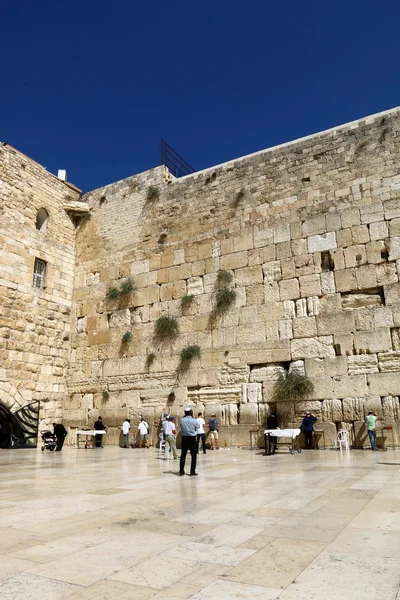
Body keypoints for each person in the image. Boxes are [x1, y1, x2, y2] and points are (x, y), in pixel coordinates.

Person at [179, 408, 198, 476]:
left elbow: (181, 427)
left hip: (184, 438)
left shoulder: (182, 420)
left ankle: (181, 471)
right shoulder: (194, 420)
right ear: (191, 413)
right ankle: (192, 471)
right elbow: (197, 427)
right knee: (194, 455)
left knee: (183, 455)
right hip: (192, 439)